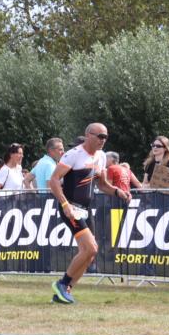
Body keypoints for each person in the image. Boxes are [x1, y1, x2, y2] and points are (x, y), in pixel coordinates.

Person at [49, 123, 131, 304]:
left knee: (90, 254)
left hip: (86, 209)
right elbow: (54, 180)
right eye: (100, 136)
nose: (103, 140)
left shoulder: (101, 157)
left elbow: (102, 185)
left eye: (105, 137)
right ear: (88, 135)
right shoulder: (74, 155)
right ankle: (62, 284)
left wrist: (118, 192)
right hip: (71, 208)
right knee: (91, 248)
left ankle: (64, 292)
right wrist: (65, 205)